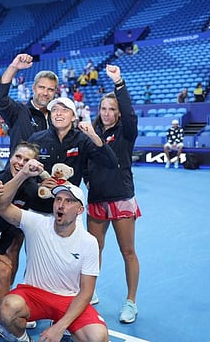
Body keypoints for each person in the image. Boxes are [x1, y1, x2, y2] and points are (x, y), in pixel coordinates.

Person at [0, 159, 109, 342]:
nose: (61, 205)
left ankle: (62, 323)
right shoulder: (36, 223)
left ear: (80, 210)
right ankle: (23, 339)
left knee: (98, 337)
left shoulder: (89, 242)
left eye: (69, 201)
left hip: (69, 299)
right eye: (58, 200)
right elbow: (0, 206)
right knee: (7, 308)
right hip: (34, 294)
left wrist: (59, 328)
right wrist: (23, 174)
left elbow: (86, 292)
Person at [85, 65, 142, 324]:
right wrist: (89, 181)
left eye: (112, 110)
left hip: (120, 199)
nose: (107, 113)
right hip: (97, 199)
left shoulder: (126, 132)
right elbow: (85, 164)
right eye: (103, 109)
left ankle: (131, 302)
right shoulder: (90, 134)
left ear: (119, 114)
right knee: (92, 250)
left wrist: (119, 82)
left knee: (127, 251)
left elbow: (130, 113)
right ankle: (88, 292)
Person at [0, 141, 43, 336]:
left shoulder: (32, 189)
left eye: (27, 160)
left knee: (8, 271)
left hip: (0, 237)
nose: (21, 163)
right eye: (18, 157)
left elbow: (16, 223)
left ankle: (0, 320)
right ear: (10, 157)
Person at [27, 96, 118, 213]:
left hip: (69, 210)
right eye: (54, 110)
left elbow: (111, 163)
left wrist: (94, 136)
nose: (58, 113)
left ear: (73, 117)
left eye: (64, 110)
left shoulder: (83, 140)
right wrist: (38, 184)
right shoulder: (36, 138)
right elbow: (23, 171)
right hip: (38, 207)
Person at [0, 53, 59, 155]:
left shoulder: (57, 118)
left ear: (55, 92)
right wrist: (13, 68)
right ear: (33, 88)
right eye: (41, 87)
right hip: (20, 170)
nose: (45, 93)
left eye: (50, 89)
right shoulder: (18, 111)